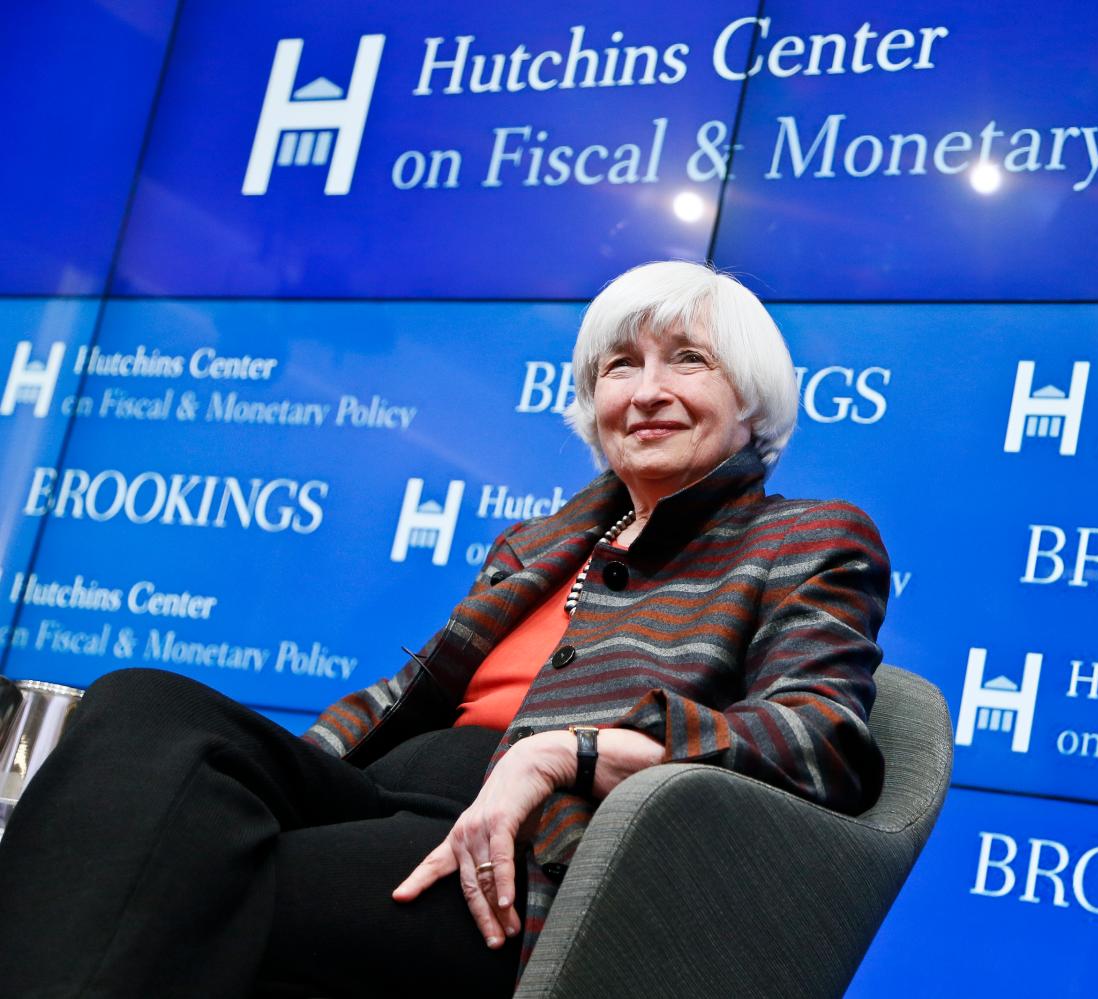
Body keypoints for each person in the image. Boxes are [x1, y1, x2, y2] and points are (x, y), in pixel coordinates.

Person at [0, 260, 890, 997]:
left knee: (177, 888)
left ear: (751, 401)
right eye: (620, 367)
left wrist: (565, 752)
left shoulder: (806, 536)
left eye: (687, 359)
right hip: (380, 793)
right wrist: (288, 776)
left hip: (524, 853)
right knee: (140, 705)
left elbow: (820, 741)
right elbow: (402, 696)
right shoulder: (542, 539)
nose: (647, 392)